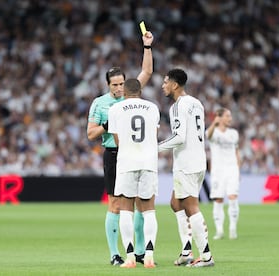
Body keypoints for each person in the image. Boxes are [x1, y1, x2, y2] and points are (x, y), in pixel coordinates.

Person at [86, 31, 154, 266]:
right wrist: (108, 124)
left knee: (139, 203)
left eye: (122, 83)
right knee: (116, 204)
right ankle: (115, 253)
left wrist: (147, 47)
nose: (119, 88)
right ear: (108, 85)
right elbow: (91, 133)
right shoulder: (100, 104)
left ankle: (140, 251)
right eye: (114, 85)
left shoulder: (131, 95)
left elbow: (147, 72)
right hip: (114, 155)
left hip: (135, 154)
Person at [158, 68, 214, 268]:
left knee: (191, 208)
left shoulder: (177, 106)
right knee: (175, 203)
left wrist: (156, 147)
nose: (163, 85)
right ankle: (186, 251)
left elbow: (180, 137)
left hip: (186, 163)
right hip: (199, 160)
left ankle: (206, 256)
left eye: (165, 82)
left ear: (174, 85)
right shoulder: (197, 103)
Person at [108, 78, 160, 268]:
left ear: (125, 92)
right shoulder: (152, 107)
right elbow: (153, 136)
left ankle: (129, 257)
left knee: (126, 210)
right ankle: (149, 255)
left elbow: (117, 140)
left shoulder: (115, 109)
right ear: (140, 91)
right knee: (149, 210)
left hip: (127, 162)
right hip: (148, 162)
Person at [205, 107, 241, 240]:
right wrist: (214, 123)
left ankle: (232, 227)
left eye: (230, 116)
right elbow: (207, 135)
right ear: (219, 118)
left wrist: (238, 169)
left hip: (232, 169)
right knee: (218, 199)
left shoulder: (234, 133)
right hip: (218, 170)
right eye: (227, 116)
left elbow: (237, 152)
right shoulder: (213, 133)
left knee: (232, 197)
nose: (230, 118)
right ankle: (219, 230)